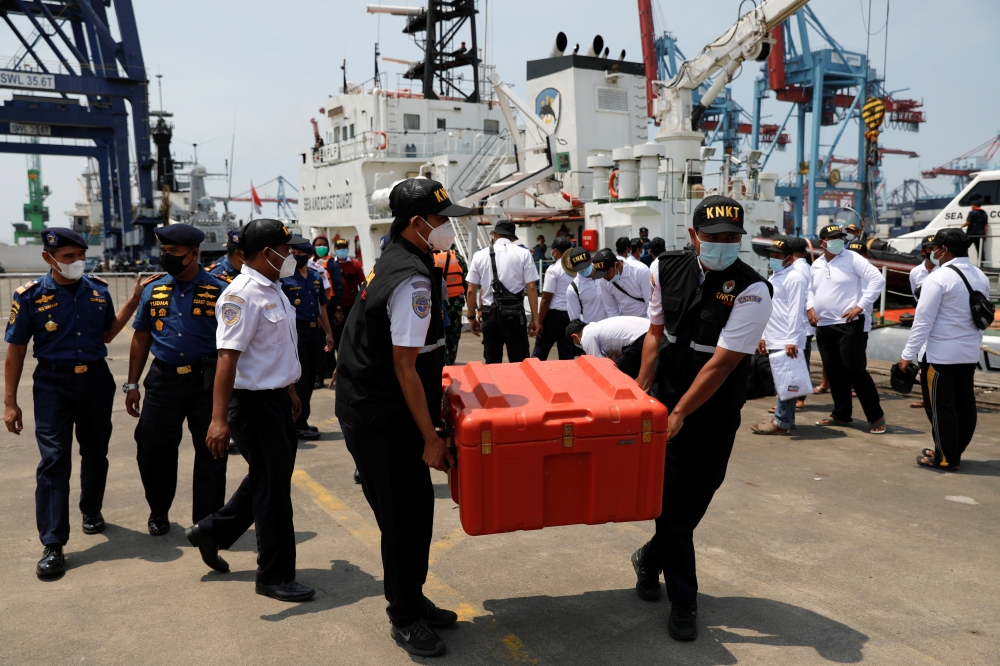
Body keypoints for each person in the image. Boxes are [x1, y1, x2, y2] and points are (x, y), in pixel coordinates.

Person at [631, 195, 773, 641]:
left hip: (713, 408)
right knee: (673, 506)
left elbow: (723, 363)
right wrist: (640, 389)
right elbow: (655, 334)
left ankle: (650, 558)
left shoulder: (752, 288)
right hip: (666, 398)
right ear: (694, 237)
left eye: (732, 238)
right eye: (713, 238)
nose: (723, 246)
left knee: (700, 494)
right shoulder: (663, 267)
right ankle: (685, 602)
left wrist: (681, 414)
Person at [336, 178, 465, 657]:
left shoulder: (396, 259)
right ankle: (405, 617)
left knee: (415, 513)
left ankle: (414, 597)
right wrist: (430, 437)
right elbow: (404, 365)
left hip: (378, 407)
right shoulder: (411, 278)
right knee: (402, 520)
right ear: (418, 224)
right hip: (381, 416)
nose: (448, 228)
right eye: (442, 220)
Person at [186, 218, 314, 602]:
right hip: (252, 404)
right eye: (286, 249)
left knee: (267, 477)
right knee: (273, 491)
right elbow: (227, 359)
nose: (291, 255)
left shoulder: (272, 288)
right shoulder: (240, 295)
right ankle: (273, 575)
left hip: (275, 398)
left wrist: (290, 390)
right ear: (265, 253)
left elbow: (276, 349)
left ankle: (212, 531)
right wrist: (218, 419)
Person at [4, 228, 142, 576]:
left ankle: (91, 510)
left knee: (96, 451)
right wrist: (10, 401)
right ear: (48, 258)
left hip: (96, 381)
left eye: (81, 256)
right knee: (53, 462)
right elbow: (16, 349)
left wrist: (134, 300)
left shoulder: (98, 290)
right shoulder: (30, 295)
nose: (77, 262)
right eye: (69, 257)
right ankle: (53, 543)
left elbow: (109, 334)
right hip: (53, 385)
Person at [126, 224, 229, 537]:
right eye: (164, 251)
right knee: (151, 447)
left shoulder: (220, 290)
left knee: (212, 449)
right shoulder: (153, 290)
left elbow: (231, 345)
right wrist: (132, 384)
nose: (167, 257)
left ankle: (206, 522)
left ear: (194, 253)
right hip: (163, 379)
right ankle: (159, 510)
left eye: (174, 252)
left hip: (206, 378)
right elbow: (141, 337)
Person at [900, 228, 988, 470]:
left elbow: (923, 321)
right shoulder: (981, 276)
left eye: (935, 248)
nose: (933, 252)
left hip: (940, 354)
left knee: (941, 408)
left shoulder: (937, 279)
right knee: (965, 405)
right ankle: (950, 449)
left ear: (944, 250)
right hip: (968, 352)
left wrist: (907, 355)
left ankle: (946, 457)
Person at [806, 224, 886, 433]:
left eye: (840, 237)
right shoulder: (816, 265)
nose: (838, 241)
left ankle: (876, 416)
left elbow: (878, 279)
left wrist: (860, 306)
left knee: (855, 370)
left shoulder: (853, 258)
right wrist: (809, 307)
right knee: (833, 372)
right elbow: (810, 290)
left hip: (848, 324)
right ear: (822, 243)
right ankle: (841, 414)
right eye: (833, 238)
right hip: (824, 324)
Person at [751, 237, 808, 435]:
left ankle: (781, 422)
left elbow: (796, 311)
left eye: (778, 256)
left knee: (787, 381)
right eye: (772, 255)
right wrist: (763, 336)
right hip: (775, 336)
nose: (773, 259)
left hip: (786, 339)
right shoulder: (776, 276)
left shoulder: (795, 278)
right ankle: (787, 420)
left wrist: (791, 339)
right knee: (783, 381)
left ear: (789, 258)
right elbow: (769, 309)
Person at [281, 240, 335, 440]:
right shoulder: (285, 278)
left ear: (308, 254)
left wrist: (328, 333)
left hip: (314, 332)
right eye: (292, 251)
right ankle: (297, 422)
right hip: (296, 331)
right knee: (300, 379)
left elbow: (322, 307)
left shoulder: (315, 276)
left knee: (312, 377)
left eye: (299, 252)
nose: (295, 255)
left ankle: (302, 419)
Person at [466, 220, 540, 364]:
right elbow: (531, 287)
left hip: (489, 315)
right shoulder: (524, 253)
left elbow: (471, 290)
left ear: (495, 235)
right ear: (512, 237)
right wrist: (535, 319)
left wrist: (471, 316)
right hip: (515, 316)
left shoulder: (479, 255)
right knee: (520, 363)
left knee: (492, 363)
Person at [532, 236, 575, 360]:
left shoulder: (554, 270)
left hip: (553, 316)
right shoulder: (575, 269)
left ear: (555, 251)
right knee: (567, 354)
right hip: (570, 316)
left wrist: (539, 322)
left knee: (539, 353)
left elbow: (546, 298)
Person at [566, 316, 649, 379]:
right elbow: (610, 360)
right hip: (647, 330)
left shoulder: (586, 336)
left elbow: (597, 366)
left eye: (574, 343)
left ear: (574, 336)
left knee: (617, 376)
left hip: (640, 338)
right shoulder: (595, 327)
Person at [310, 234, 344, 385]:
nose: (321, 247)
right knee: (318, 342)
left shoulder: (332, 264)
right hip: (314, 308)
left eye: (324, 244)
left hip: (328, 307)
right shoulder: (310, 263)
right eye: (318, 244)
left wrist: (338, 308)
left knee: (329, 338)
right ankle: (323, 371)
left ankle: (328, 370)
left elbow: (337, 285)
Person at [909, 234, 937, 411]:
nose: (933, 251)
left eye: (936, 248)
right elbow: (916, 298)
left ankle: (935, 399)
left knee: (938, 364)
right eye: (930, 248)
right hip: (923, 321)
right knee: (923, 362)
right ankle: (927, 398)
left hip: (940, 323)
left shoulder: (945, 271)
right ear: (923, 251)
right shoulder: (915, 273)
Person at [785, 236, 815, 408]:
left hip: (799, 326)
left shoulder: (797, 270)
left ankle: (798, 398)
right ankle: (797, 397)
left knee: (797, 363)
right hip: (803, 326)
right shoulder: (806, 267)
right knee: (800, 362)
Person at [590, 248, 651, 319]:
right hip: (625, 322)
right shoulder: (603, 280)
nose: (604, 277)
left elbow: (650, 304)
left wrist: (650, 327)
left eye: (606, 273)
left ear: (617, 264)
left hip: (645, 319)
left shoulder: (640, 271)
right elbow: (611, 309)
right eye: (602, 275)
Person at [433, 244, 468, 366]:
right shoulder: (458, 258)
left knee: (439, 334)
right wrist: (471, 311)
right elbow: (466, 284)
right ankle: (451, 361)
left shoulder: (432, 257)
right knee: (454, 334)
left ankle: (441, 361)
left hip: (438, 303)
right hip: (456, 303)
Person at [333, 237, 365, 352]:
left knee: (351, 333)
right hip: (335, 307)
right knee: (336, 335)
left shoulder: (355, 265)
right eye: (339, 248)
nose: (342, 250)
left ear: (348, 249)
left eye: (344, 248)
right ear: (335, 249)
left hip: (351, 306)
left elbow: (362, 284)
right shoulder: (331, 264)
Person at [564, 248, 605, 325]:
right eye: (580, 269)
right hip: (592, 331)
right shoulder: (573, 288)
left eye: (585, 266)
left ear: (591, 260)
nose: (583, 270)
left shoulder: (604, 274)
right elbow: (575, 320)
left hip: (613, 327)